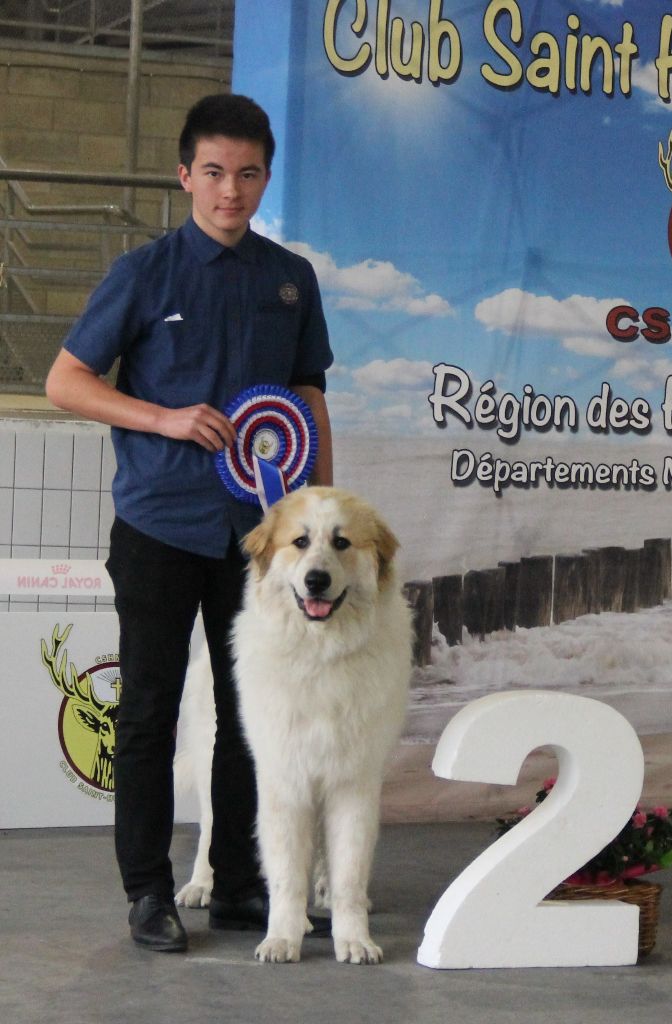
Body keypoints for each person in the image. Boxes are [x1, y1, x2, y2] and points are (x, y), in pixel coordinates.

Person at [45, 93, 334, 953]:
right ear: (184, 175)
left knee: (254, 716)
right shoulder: (143, 272)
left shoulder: (291, 279)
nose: (229, 191)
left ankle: (241, 884)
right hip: (159, 529)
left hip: (260, 544)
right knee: (148, 711)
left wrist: (319, 518)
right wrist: (163, 418)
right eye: (213, 172)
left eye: (247, 174)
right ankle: (147, 892)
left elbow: (308, 396)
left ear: (266, 178)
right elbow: (65, 382)